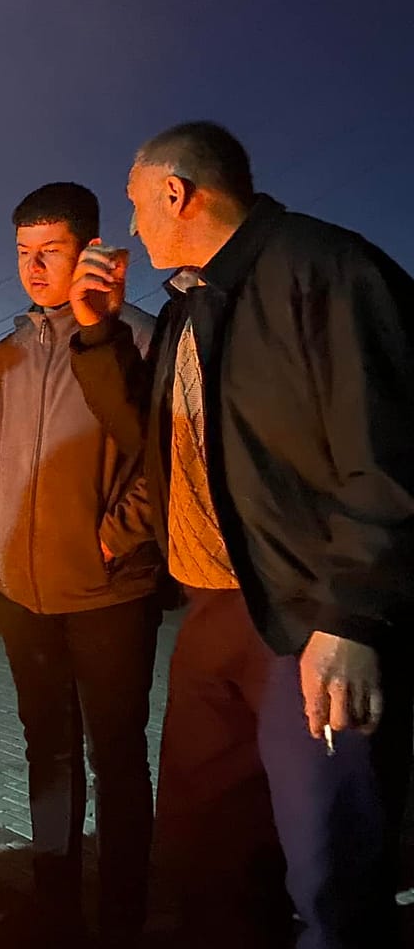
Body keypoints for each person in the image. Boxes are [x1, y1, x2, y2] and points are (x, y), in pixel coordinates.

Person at [69, 121, 414, 949]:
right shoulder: (193, 305)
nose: (131, 228)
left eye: (136, 205)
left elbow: (391, 453)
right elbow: (163, 448)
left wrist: (352, 617)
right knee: (209, 858)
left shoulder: (325, 272)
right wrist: (99, 333)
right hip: (215, 616)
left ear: (176, 193)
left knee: (328, 874)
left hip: (306, 622)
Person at [0, 182, 161, 947]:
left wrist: (117, 537)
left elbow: (172, 459)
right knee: (45, 752)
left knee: (115, 757)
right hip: (21, 594)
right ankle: (53, 906)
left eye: (49, 251)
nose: (34, 267)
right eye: (23, 253)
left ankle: (122, 917)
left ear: (88, 250)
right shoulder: (7, 354)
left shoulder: (140, 339)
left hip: (110, 591)